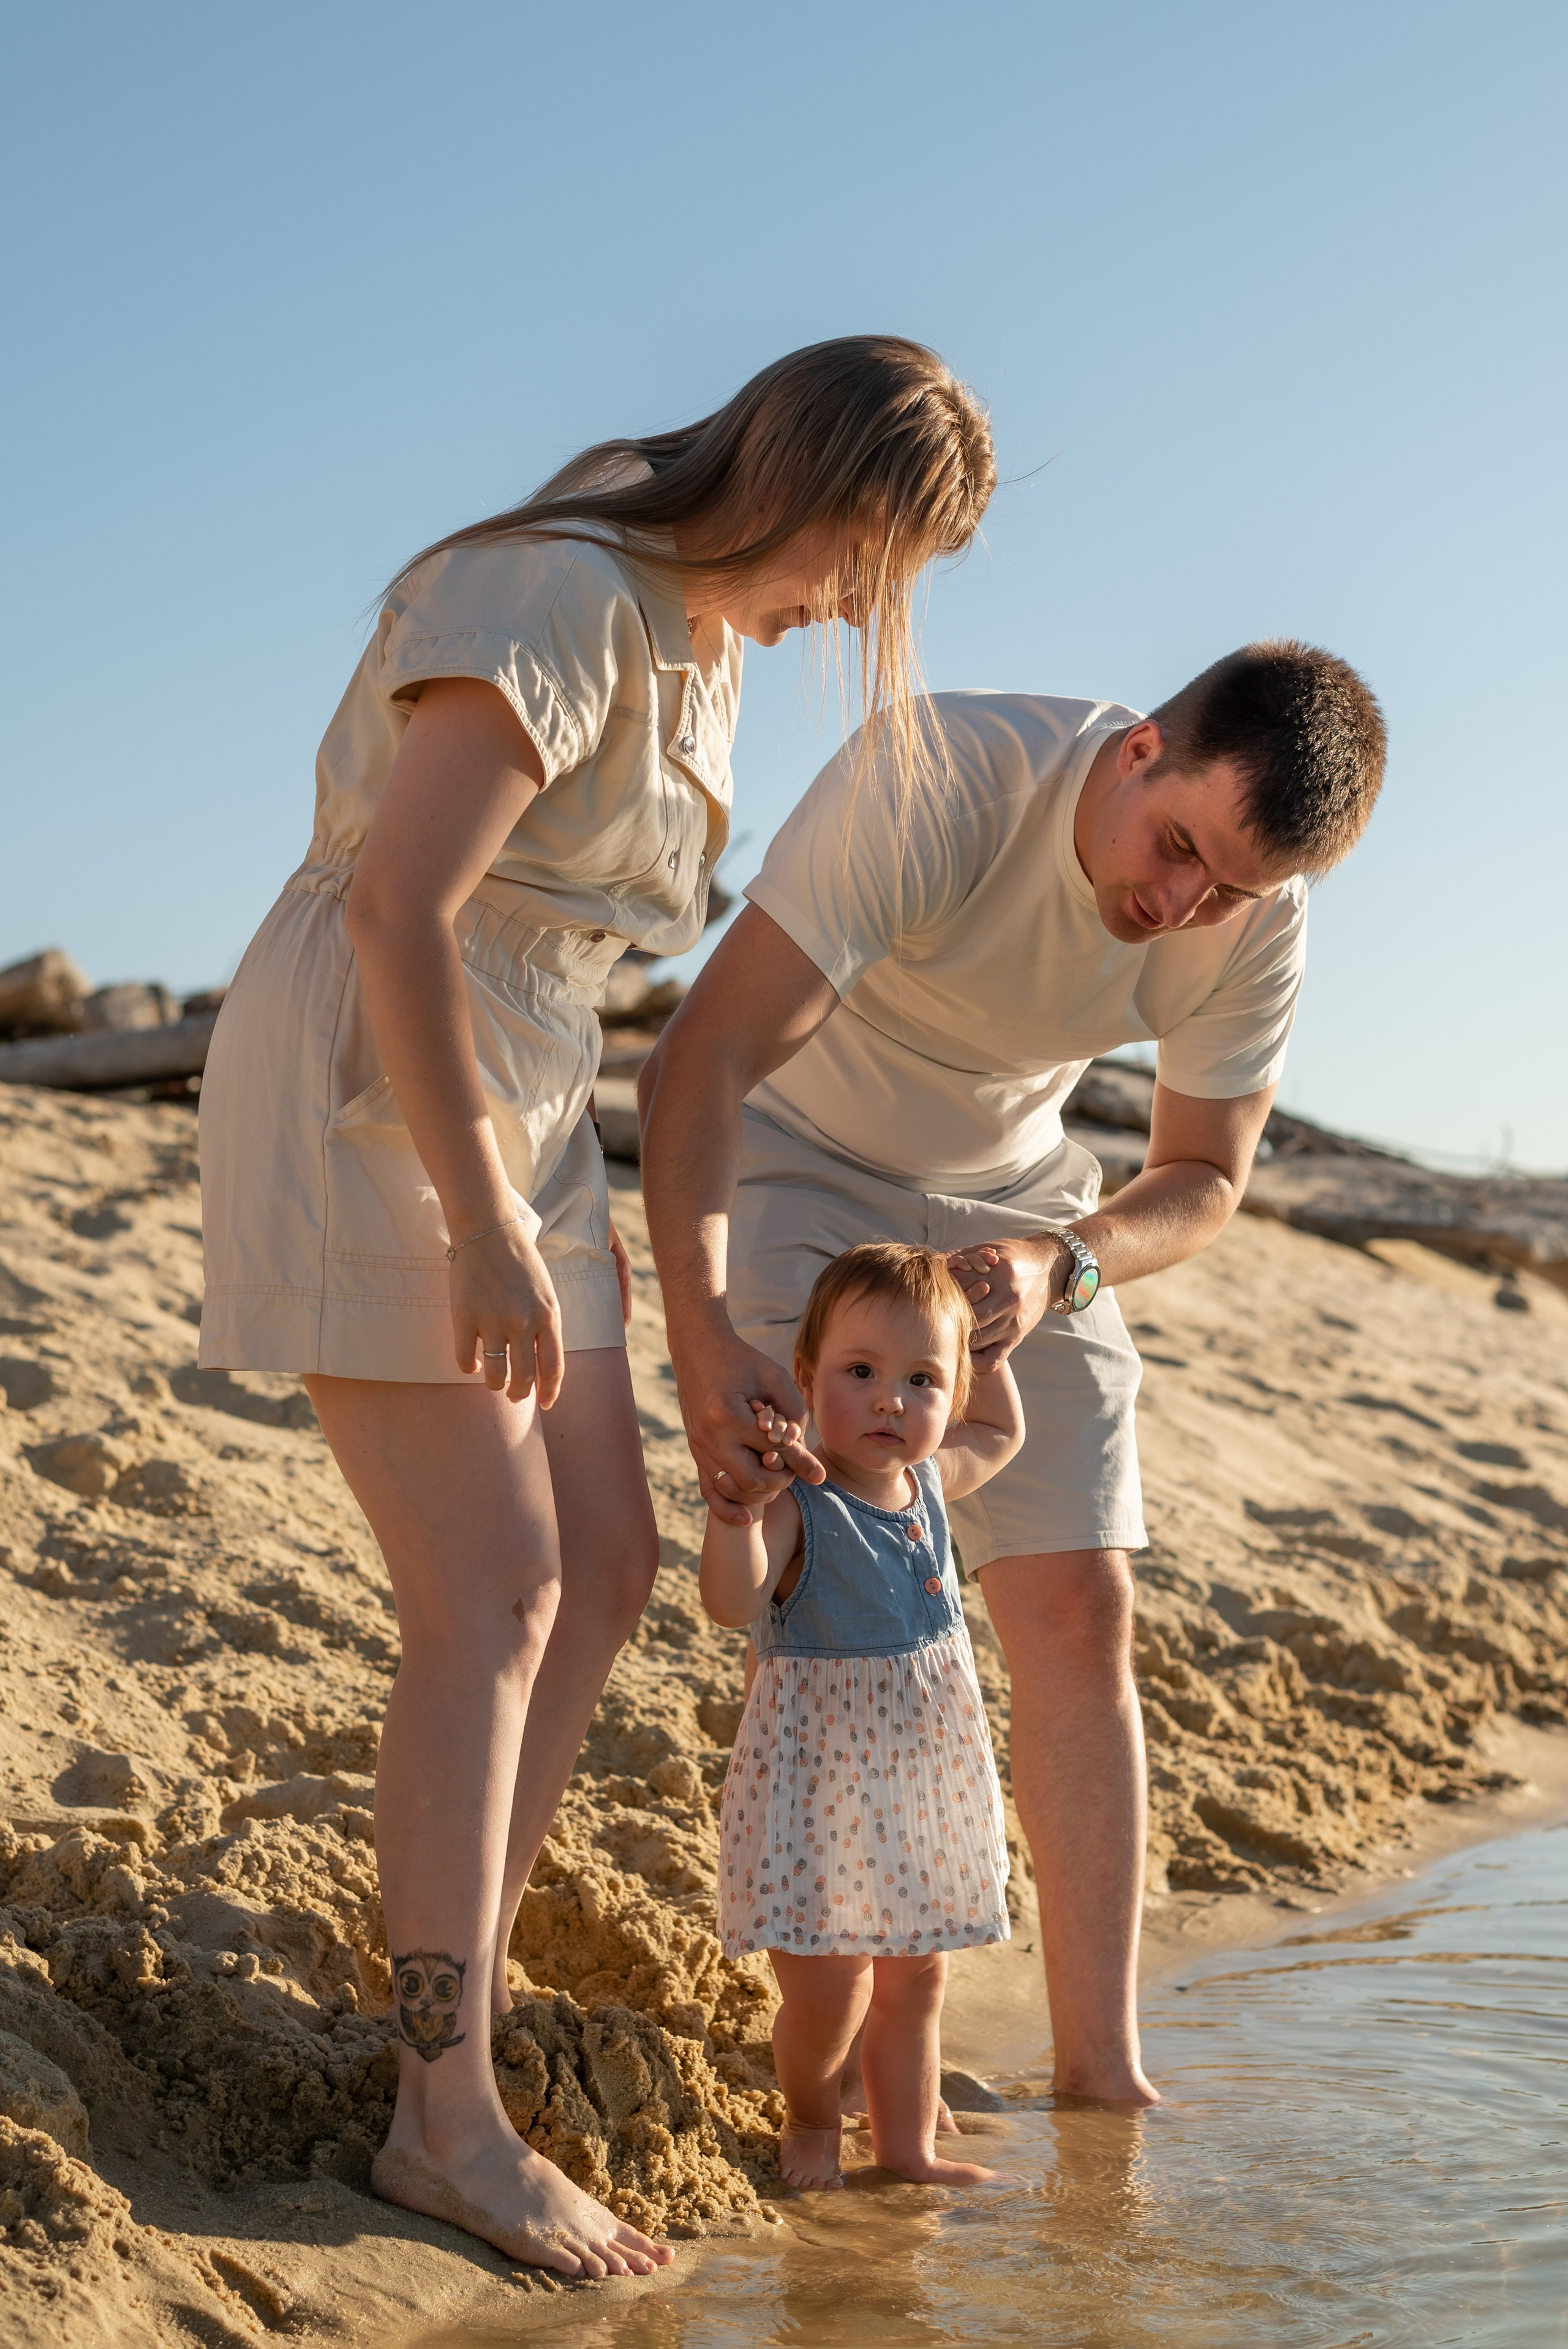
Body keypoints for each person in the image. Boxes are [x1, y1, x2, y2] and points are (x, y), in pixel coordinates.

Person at [196, 337, 995, 2277]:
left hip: (528, 1105)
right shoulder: (560, 587)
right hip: (383, 1081)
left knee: (617, 1559)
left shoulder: (699, 644)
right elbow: (402, 903)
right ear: (803, 484)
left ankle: (433, 1997)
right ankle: (442, 2116)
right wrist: (481, 1216)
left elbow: (563, 975)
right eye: (868, 565)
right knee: (493, 1592)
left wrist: (619, 1256)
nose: (854, 614)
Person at [640, 641, 1387, 2109]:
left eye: (1226, 888)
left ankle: (1098, 2073)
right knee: (814, 1570)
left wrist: (1067, 1265)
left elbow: (1201, 1175)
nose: (1181, 906)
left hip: (1019, 1209)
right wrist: (697, 1335)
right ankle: (827, 2033)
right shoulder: (944, 777)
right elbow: (698, 1062)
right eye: (1176, 847)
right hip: (794, 1156)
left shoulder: (1251, 918)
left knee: (1079, 1598)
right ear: (1135, 751)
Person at [699, 1242, 1022, 2190]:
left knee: (919, 1975)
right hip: (823, 1798)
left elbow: (999, 1431)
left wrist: (988, 1351)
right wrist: (734, 1517)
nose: (891, 1399)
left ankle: (907, 2143)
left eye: (922, 1378)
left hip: (922, 1789)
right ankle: (809, 2116)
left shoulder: (929, 1481)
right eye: (860, 1372)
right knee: (833, 1985)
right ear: (805, 1379)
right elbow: (733, 1602)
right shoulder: (803, 1501)